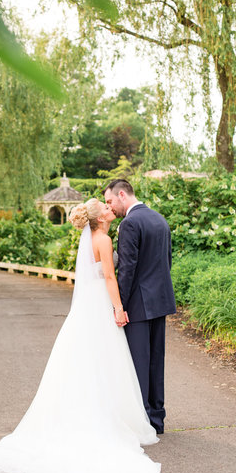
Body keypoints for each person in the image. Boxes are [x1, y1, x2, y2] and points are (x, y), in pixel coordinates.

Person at [0, 198, 182, 473]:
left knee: (86, 364)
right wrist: (119, 308)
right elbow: (110, 278)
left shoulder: (91, 240)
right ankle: (107, 417)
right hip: (101, 306)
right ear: (100, 218)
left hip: (86, 308)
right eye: (106, 208)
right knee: (105, 363)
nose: (111, 209)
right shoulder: (104, 239)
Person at [104, 180, 177, 435]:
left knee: (138, 363)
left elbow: (127, 269)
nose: (110, 207)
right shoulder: (160, 219)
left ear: (122, 195)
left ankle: (142, 421)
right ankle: (156, 419)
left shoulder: (130, 223)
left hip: (138, 304)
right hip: (160, 301)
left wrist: (119, 306)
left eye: (110, 201)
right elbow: (167, 261)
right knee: (156, 361)